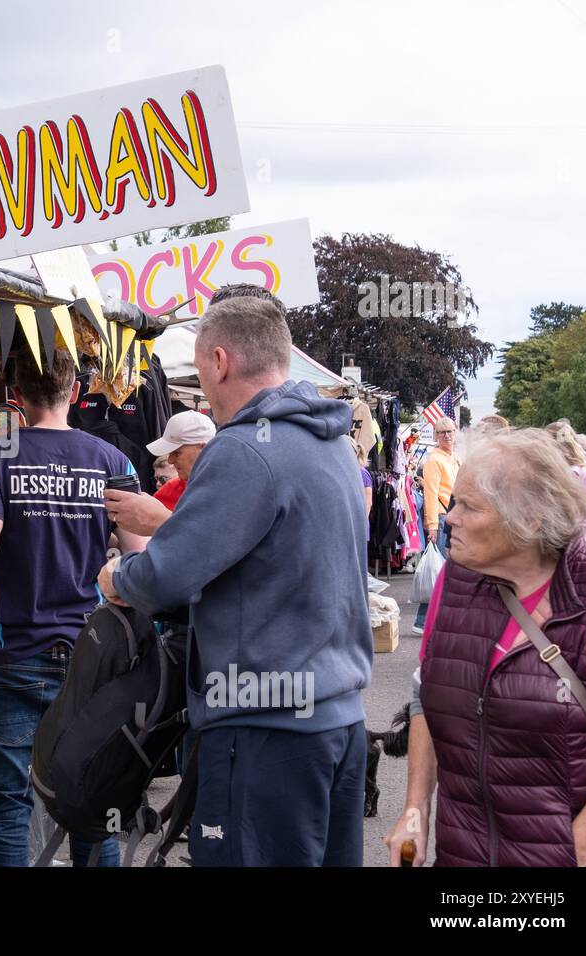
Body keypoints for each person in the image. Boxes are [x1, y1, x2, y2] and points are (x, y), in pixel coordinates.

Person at [99, 297, 373, 866]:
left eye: (200, 369)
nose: (202, 378)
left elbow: (164, 576)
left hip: (265, 728)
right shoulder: (334, 445)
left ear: (219, 361)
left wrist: (118, 575)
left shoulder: (245, 449)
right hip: (337, 719)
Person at [0, 348, 148, 867]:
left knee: (10, 808)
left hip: (10, 657)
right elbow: (141, 564)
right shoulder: (113, 463)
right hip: (92, 658)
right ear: (77, 393)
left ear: (15, 394)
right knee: (91, 803)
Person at [385, 429, 586, 866]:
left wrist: (578, 851)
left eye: (469, 506)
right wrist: (415, 808)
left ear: (528, 520)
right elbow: (424, 697)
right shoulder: (453, 583)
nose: (450, 517)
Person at [108, 410, 216, 532]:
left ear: (204, 448)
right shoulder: (172, 488)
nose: (170, 460)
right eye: (170, 453)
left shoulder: (230, 489)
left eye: (177, 453)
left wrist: (161, 521)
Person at [413, 417, 460, 633]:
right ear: (435, 436)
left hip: (451, 518)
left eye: (449, 431)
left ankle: (433, 619)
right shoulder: (434, 460)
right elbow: (430, 494)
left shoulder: (454, 459)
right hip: (441, 519)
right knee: (438, 570)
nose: (446, 436)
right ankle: (422, 620)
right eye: (441, 432)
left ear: (456, 432)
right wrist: (431, 525)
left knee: (444, 570)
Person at [548, 421, 586, 552]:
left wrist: (562, 525)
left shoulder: (585, 474)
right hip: (555, 550)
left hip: (582, 550)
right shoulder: (550, 474)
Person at [354, 439, 373, 540]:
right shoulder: (358, 471)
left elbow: (368, 502)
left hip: (359, 525)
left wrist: (361, 523)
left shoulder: (362, 473)